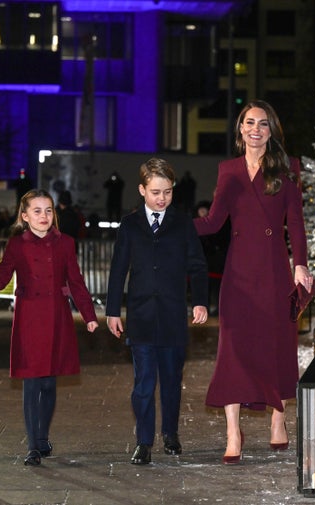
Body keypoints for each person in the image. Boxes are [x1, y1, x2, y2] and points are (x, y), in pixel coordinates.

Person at [193, 100, 314, 465]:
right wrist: (172, 225)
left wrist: (301, 265)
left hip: (276, 270)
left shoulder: (287, 168)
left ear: (270, 130)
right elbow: (214, 223)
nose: (255, 129)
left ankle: (279, 419)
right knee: (232, 348)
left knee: (278, 343)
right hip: (239, 273)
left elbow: (296, 222)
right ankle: (233, 431)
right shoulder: (228, 170)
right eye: (249, 122)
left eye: (263, 123)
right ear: (240, 129)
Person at [0, 189, 99, 466]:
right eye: (37, 211)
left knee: (49, 381)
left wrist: (89, 315)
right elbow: (4, 275)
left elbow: (76, 281)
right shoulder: (17, 244)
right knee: (31, 382)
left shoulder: (66, 243)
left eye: (48, 210)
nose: (44, 216)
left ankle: (42, 437)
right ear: (24, 216)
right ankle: (32, 446)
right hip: (29, 318)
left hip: (57, 316)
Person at [106, 158, 209, 465]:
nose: (161, 198)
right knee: (143, 383)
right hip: (140, 316)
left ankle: (171, 433)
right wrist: (113, 311)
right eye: (155, 192)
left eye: (167, 191)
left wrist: (200, 301)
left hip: (173, 316)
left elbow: (198, 266)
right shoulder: (129, 224)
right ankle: (144, 441)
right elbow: (118, 269)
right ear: (142, 190)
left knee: (171, 380)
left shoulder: (182, 223)